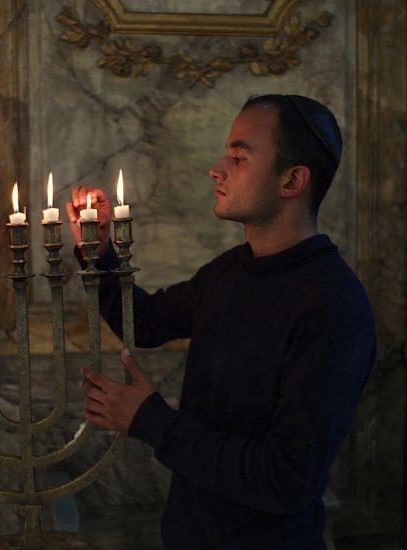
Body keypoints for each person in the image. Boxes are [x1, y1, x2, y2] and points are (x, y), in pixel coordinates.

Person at [65, 94, 376, 549]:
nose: (217, 168)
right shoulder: (231, 270)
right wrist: (97, 250)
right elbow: (146, 322)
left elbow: (286, 479)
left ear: (292, 180)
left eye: (238, 157)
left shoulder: (333, 306)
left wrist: (149, 420)